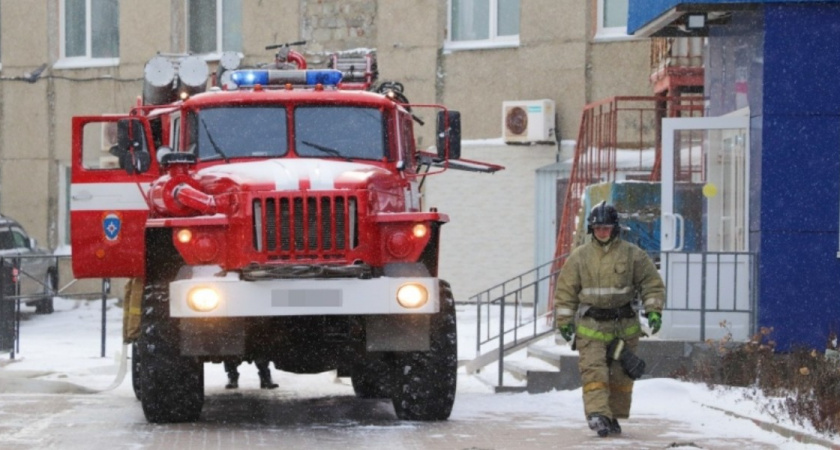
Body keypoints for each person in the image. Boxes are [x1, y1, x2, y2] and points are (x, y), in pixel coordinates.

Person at [554, 201, 665, 437]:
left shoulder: (633, 255)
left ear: (614, 228)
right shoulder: (580, 257)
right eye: (597, 228)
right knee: (594, 373)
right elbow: (565, 292)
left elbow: (651, 283)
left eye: (606, 228)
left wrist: (654, 309)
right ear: (591, 230)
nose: (602, 232)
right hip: (591, 328)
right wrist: (564, 322)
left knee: (620, 377)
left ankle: (612, 416)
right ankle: (597, 416)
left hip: (624, 328)